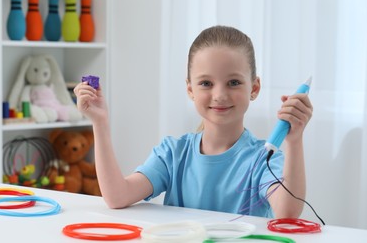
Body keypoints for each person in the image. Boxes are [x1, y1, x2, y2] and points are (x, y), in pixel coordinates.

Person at [74, 25, 313, 218]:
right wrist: (100, 124)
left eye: (233, 82)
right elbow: (117, 197)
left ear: (255, 87)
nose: (219, 95)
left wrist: (294, 140)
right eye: (206, 83)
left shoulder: (264, 160)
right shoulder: (172, 154)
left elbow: (288, 214)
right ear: (190, 89)